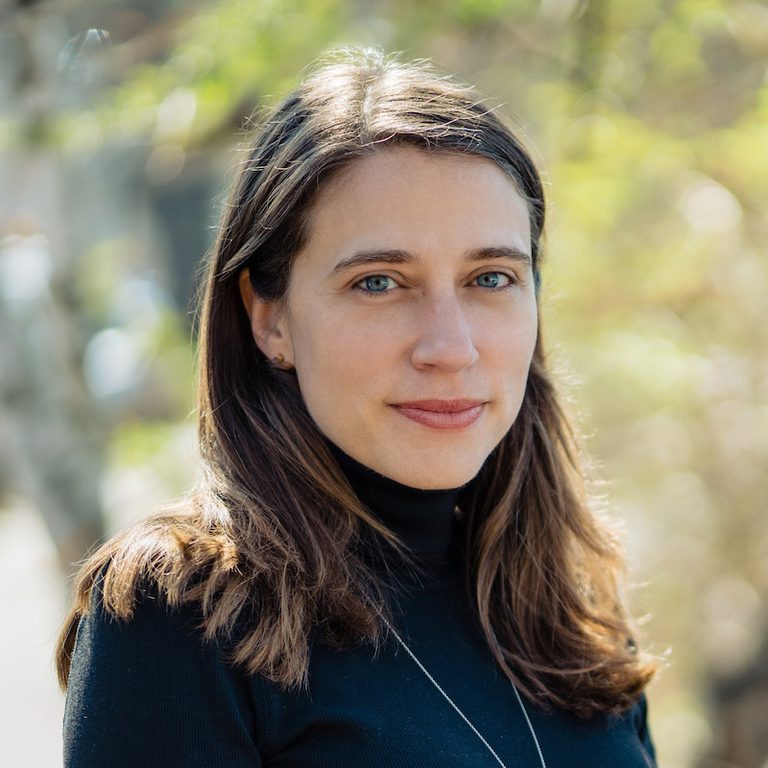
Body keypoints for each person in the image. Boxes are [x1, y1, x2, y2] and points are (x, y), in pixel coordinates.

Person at [56, 47, 660, 767]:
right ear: (269, 318)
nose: (450, 346)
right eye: (379, 282)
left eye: (491, 277)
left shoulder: (575, 618)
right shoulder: (182, 615)